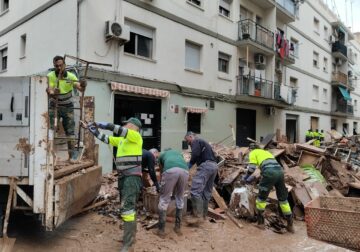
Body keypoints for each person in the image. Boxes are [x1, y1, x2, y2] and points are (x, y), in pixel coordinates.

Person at [87, 117, 143, 252]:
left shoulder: (136, 137)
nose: (126, 127)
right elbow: (107, 139)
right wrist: (95, 132)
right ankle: (130, 238)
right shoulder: (123, 140)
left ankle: (128, 245)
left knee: (127, 208)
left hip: (132, 177)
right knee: (129, 207)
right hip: (124, 177)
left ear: (135, 127)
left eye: (128, 125)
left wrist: (103, 124)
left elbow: (119, 130)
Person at [243, 143, 294, 233]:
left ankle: (260, 223)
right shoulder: (266, 153)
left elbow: (251, 168)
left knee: (261, 198)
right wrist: (253, 177)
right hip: (280, 172)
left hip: (269, 173)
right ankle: (290, 225)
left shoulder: (253, 153)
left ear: (251, 149)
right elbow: (264, 167)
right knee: (283, 199)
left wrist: (246, 177)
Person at [47, 55, 86, 162]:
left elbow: (80, 88)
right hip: (54, 106)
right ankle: (49, 154)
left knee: (70, 131)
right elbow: (49, 89)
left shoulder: (70, 76)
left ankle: (72, 154)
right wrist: (53, 92)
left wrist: (83, 85)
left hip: (68, 106)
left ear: (65, 65)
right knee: (50, 130)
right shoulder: (50, 76)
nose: (59, 68)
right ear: (54, 66)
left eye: (61, 65)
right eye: (57, 66)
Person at [153, 149, 189, 238]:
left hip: (170, 171)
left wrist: (162, 185)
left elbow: (162, 171)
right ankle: (178, 228)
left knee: (164, 199)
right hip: (185, 172)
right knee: (180, 197)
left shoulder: (162, 155)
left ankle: (161, 230)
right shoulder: (178, 153)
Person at [184, 131, 218, 225]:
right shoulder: (204, 143)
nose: (188, 143)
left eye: (188, 141)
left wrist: (189, 165)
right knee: (206, 192)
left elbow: (195, 154)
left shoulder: (196, 141)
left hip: (205, 166)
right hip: (214, 166)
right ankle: (203, 216)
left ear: (191, 136)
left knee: (195, 191)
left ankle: (197, 217)